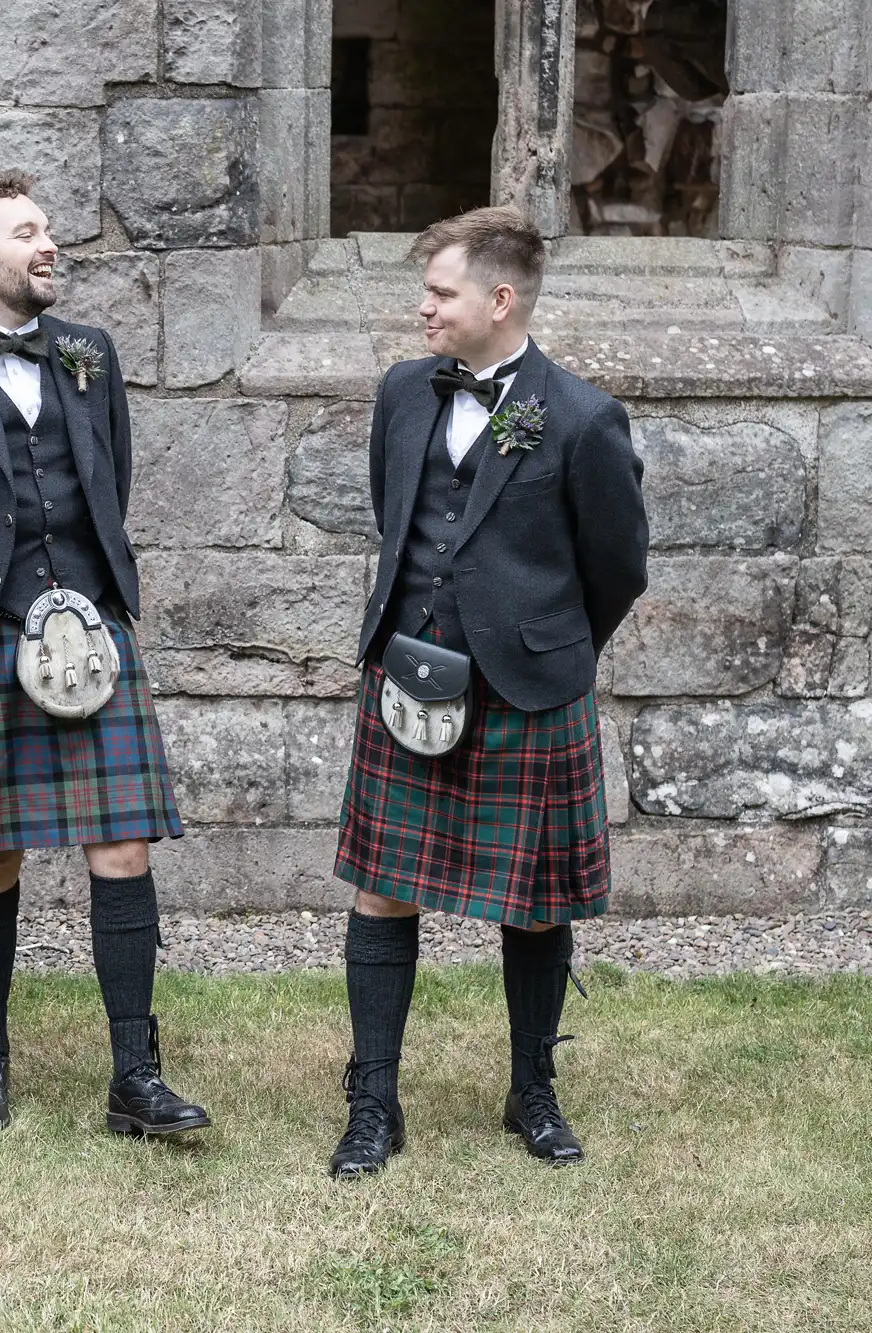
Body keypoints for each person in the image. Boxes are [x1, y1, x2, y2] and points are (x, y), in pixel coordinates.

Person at [0, 172, 207, 1138]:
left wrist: (93, 600)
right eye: (28, 231)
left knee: (124, 841)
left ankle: (135, 1074)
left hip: (89, 632)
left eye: (49, 229)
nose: (50, 243)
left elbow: (110, 480)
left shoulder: (89, 356)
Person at [328, 205, 648, 1178]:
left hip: (525, 690)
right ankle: (371, 1102)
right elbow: (399, 522)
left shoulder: (582, 418)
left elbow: (616, 567)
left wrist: (541, 651)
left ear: (498, 299)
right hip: (407, 676)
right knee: (381, 892)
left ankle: (531, 1090)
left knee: (534, 903)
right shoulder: (401, 394)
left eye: (439, 292)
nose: (422, 308)